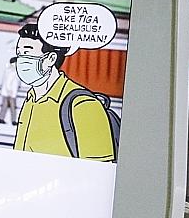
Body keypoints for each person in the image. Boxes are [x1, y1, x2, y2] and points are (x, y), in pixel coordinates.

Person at [11, 22, 117, 162]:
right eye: (19, 53)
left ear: (51, 59)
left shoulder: (83, 104)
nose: (22, 59)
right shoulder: (31, 99)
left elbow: (98, 168)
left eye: (27, 52)